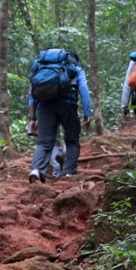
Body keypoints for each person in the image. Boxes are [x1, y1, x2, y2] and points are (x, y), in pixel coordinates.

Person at [28, 49, 92, 182]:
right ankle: (68, 172)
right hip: (68, 105)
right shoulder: (75, 69)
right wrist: (87, 113)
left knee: (44, 142)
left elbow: (31, 94)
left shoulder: (39, 67)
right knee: (72, 140)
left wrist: (32, 118)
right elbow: (84, 90)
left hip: (44, 106)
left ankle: (37, 170)